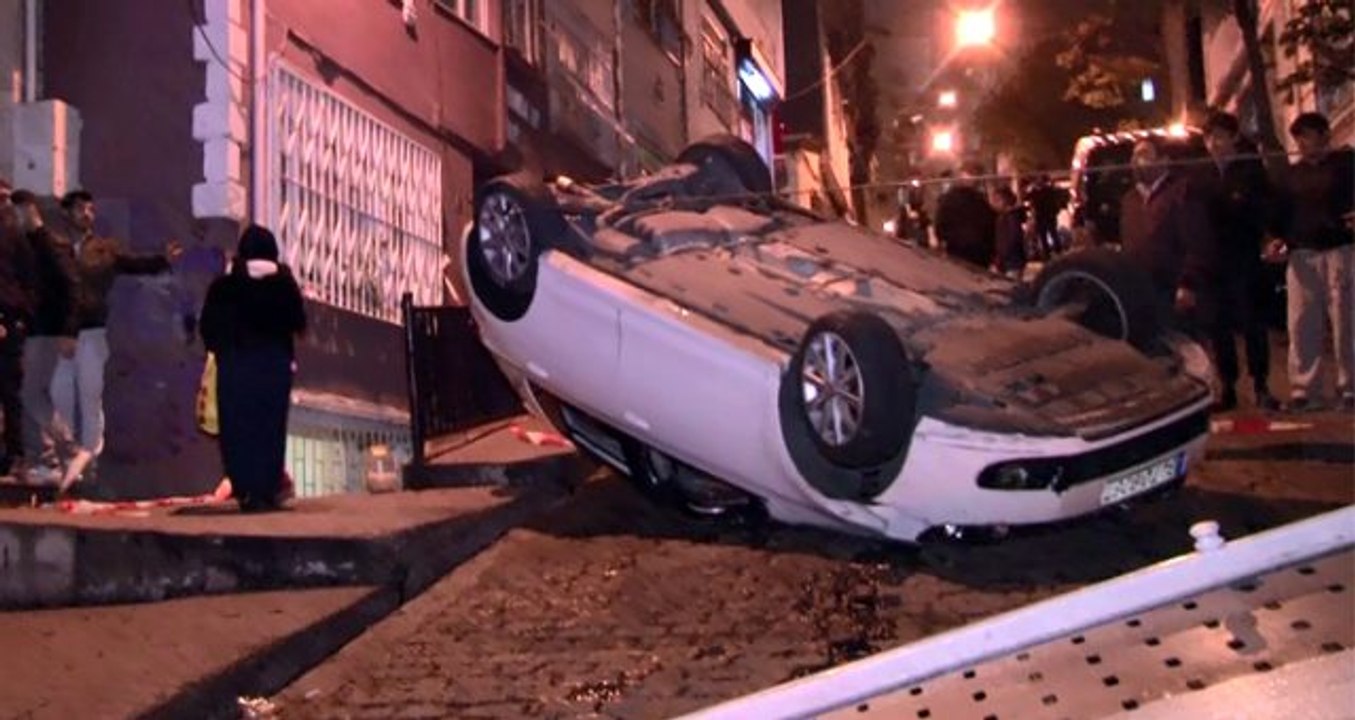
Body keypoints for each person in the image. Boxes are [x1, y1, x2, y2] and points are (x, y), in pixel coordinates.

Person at [48, 190, 182, 491]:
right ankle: (71, 452)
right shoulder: (56, 247)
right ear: (67, 213)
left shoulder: (104, 249)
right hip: (62, 332)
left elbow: (132, 262)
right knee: (59, 393)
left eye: (91, 209)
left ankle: (89, 454)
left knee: (90, 393)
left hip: (93, 330)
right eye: (81, 209)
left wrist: (162, 259)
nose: (87, 214)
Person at [199, 225, 306, 512]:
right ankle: (268, 487)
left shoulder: (224, 286)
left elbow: (208, 327)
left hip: (236, 366)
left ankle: (245, 488)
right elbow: (298, 321)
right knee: (269, 427)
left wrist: (221, 350)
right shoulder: (284, 284)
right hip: (273, 366)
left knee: (238, 427)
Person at [1268, 112, 1354, 413]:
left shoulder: (1346, 166)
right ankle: (1305, 387)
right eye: (1299, 138)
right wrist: (1277, 240)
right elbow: (1279, 216)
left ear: (1324, 135)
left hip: (1340, 250)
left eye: (1309, 135)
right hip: (1302, 254)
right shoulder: (1291, 176)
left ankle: (1349, 386)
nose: (1304, 143)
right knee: (1302, 323)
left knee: (1346, 321)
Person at [1201, 111, 1280, 411]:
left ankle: (1261, 384)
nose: (1214, 143)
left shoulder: (1250, 170)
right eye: (1209, 137)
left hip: (1244, 258)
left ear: (1234, 137)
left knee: (1252, 323)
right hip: (1214, 261)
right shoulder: (1202, 173)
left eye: (1220, 136)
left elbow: (1262, 209)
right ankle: (1228, 386)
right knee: (1219, 327)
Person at [9, 190, 78, 484]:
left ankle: (59, 454)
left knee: (32, 393)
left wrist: (68, 331)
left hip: (48, 330)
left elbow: (70, 286)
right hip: (43, 328)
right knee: (35, 393)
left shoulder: (46, 244)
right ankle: (57, 455)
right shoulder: (37, 244)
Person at [1120, 138, 1219, 334]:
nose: (1136, 161)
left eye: (1144, 154)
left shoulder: (1181, 191)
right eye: (1134, 155)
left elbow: (1196, 239)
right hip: (1144, 291)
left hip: (1174, 289)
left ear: (1163, 161)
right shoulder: (1129, 199)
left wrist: (1189, 282)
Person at [0, 181, 40, 478]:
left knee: (11, 390)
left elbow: (29, 281)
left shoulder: (15, 237)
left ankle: (15, 454)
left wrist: (18, 318)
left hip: (11, 320)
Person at [935, 169, 996, 269]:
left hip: (957, 246)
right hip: (980, 248)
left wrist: (942, 239)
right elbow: (990, 223)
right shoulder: (980, 200)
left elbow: (940, 222)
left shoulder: (948, 201)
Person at [991, 186, 1027, 279]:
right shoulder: (1005, 216)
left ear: (1005, 200)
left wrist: (1002, 254)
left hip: (1012, 261)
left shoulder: (1010, 217)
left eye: (997, 200)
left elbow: (1013, 238)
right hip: (1009, 261)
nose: (994, 203)